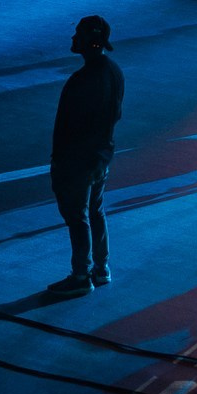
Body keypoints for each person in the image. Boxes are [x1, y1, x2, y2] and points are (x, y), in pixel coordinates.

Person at [46, 15, 124, 295]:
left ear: (89, 41)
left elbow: (72, 125)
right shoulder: (113, 71)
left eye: (77, 34)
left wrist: (62, 161)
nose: (73, 37)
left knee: (77, 216)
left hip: (78, 160)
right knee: (95, 210)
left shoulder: (83, 80)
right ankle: (101, 268)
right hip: (100, 157)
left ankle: (81, 275)